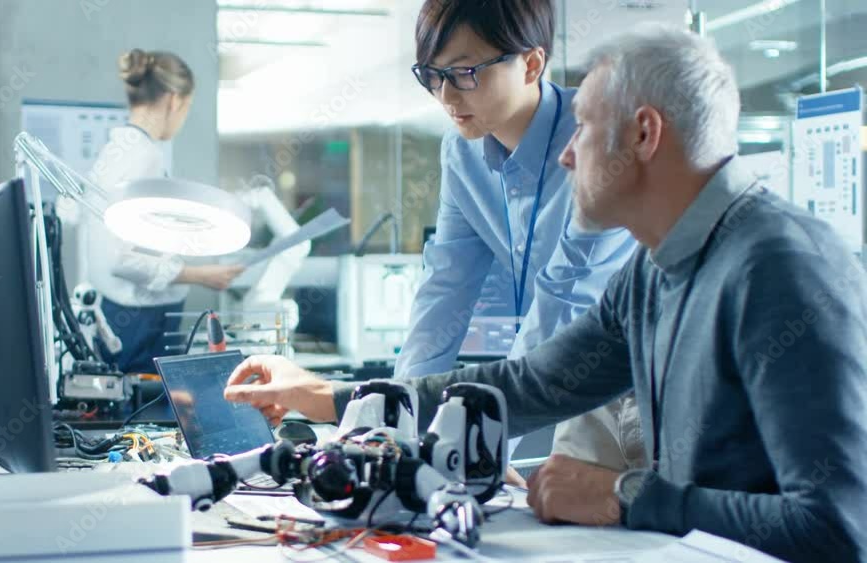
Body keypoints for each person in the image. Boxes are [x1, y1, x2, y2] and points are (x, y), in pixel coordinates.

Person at [223, 26, 867, 562]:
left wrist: (623, 495)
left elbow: (840, 529)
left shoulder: (780, 267)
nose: (566, 157)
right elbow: (526, 386)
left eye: (582, 127)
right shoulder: (653, 270)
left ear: (644, 135)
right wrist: (333, 398)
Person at [397, 0, 644, 477]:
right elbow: (445, 289)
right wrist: (397, 423)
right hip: (541, 378)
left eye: (466, 71)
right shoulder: (461, 153)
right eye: (432, 74)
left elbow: (564, 298)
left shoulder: (596, 138)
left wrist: (480, 436)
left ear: (531, 63)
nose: (446, 95)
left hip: (632, 391)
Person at [74, 49, 243, 373]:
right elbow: (121, 258)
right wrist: (201, 275)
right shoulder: (142, 157)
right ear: (174, 100)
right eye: (187, 108)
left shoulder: (117, 152)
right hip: (137, 324)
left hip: (116, 317)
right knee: (144, 419)